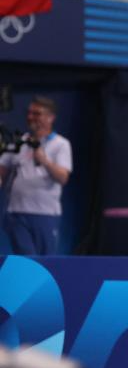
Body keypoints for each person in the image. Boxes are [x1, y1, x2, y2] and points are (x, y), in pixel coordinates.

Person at [0, 97, 72, 255]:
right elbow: (2, 172)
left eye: (37, 113)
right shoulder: (19, 142)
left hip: (44, 214)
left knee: (46, 262)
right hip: (16, 213)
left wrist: (44, 160)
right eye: (29, 113)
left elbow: (63, 178)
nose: (31, 117)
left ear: (50, 117)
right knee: (25, 260)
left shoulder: (61, 144)